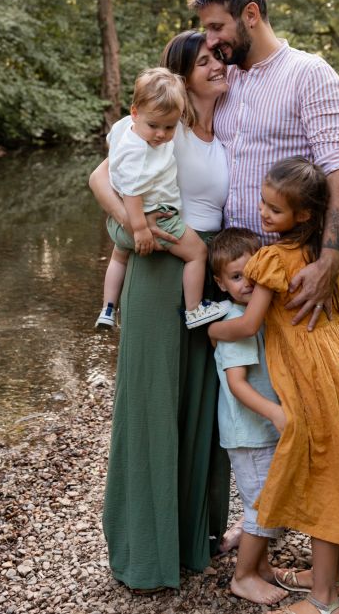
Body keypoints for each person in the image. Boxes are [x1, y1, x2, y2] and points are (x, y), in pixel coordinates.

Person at [192, 0, 339, 585]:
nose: (211, 41)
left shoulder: (310, 75)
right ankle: (263, 519)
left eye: (217, 27)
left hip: (301, 270)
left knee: (333, 405)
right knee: (267, 404)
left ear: (250, 14)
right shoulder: (229, 82)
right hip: (243, 274)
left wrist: (331, 260)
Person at [208, 158, 339, 614]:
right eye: (264, 203)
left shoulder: (271, 260)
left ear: (304, 215)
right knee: (333, 470)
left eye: (274, 209)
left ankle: (323, 598)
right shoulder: (322, 255)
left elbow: (249, 324)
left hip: (313, 379)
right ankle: (321, 574)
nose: (263, 214)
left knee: (323, 475)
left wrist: (210, 330)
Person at [88, 30, 232, 592]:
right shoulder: (157, 131)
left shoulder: (227, 129)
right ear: (183, 73)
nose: (220, 65)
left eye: (221, 57)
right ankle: (145, 552)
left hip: (210, 275)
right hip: (160, 267)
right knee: (153, 405)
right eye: (206, 61)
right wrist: (136, 228)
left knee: (199, 404)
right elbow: (100, 178)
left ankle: (192, 540)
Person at [209, 227, 314, 606]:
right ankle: (242, 577)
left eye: (252, 274)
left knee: (267, 501)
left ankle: (263, 568)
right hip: (249, 432)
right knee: (262, 508)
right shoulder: (234, 322)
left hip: (263, 429)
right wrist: (275, 412)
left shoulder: (257, 313)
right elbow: (237, 384)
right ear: (220, 283)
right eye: (236, 277)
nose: (247, 283)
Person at [98, 67, 229, 331]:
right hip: (153, 220)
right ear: (135, 113)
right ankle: (194, 310)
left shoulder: (126, 131)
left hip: (119, 226)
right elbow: (132, 191)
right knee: (197, 253)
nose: (161, 134)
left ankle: (108, 308)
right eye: (154, 126)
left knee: (118, 258)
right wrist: (140, 229)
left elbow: (114, 155)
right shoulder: (140, 151)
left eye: (169, 127)